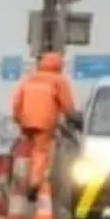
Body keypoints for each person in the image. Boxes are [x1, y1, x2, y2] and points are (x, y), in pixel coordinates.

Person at [10, 51, 76, 200]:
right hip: (44, 122)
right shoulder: (59, 80)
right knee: (41, 152)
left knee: (26, 151)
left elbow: (16, 101)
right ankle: (34, 184)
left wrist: (18, 119)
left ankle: (18, 179)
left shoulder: (29, 78)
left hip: (26, 120)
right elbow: (67, 105)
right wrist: (74, 118)